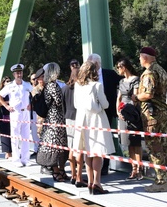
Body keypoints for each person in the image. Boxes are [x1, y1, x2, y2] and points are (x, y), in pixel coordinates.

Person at [72, 60, 113, 194]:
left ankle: (89, 182)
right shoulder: (97, 85)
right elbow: (106, 104)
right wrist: (98, 106)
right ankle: (97, 182)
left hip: (81, 119)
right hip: (96, 120)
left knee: (87, 151)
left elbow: (76, 104)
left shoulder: (78, 85)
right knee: (97, 151)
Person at [138, 46, 167, 192]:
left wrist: (136, 97)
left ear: (145, 57)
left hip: (152, 114)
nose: (139, 60)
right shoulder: (162, 70)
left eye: (140, 57)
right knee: (163, 146)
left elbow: (148, 94)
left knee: (154, 147)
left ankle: (160, 182)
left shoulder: (149, 73)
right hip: (163, 112)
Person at [35, 63, 68, 181]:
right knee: (55, 145)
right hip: (55, 119)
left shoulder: (49, 85)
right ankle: (56, 171)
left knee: (58, 145)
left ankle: (60, 170)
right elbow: (59, 101)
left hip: (54, 118)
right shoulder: (52, 86)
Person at [0, 64, 33, 166]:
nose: (19, 74)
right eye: (17, 73)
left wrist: (32, 103)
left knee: (26, 136)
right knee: (15, 136)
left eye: (20, 72)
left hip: (25, 112)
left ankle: (25, 159)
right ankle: (16, 159)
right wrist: (6, 106)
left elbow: (34, 93)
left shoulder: (26, 85)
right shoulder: (10, 86)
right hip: (15, 112)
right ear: (14, 74)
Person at [115, 57, 144, 180]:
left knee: (136, 143)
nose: (117, 70)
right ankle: (133, 169)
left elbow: (135, 98)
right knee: (128, 144)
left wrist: (129, 111)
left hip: (133, 114)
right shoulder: (121, 82)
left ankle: (140, 169)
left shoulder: (136, 80)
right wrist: (118, 112)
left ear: (124, 67)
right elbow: (119, 98)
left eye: (118, 67)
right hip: (123, 114)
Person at [63, 59, 83, 187]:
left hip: (68, 117)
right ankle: (79, 177)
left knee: (71, 146)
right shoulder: (81, 88)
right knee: (79, 148)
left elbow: (63, 106)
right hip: (79, 117)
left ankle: (73, 174)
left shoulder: (65, 88)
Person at [0, 77, 12, 157]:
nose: (9, 82)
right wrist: (8, 102)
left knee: (12, 133)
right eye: (7, 81)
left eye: (10, 81)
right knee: (6, 132)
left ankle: (13, 151)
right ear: (3, 83)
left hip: (13, 114)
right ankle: (7, 152)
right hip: (4, 114)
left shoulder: (12, 91)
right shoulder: (2, 92)